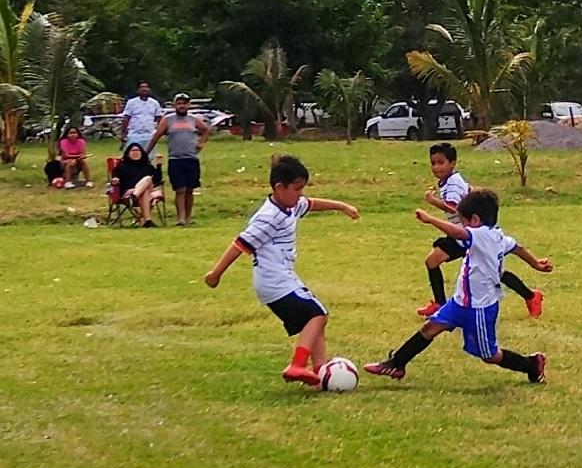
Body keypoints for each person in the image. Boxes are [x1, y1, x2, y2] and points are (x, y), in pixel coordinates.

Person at [364, 189, 552, 384]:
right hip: (460, 302)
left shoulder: (481, 235)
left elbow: (458, 233)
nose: (462, 225)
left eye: (463, 220)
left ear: (476, 220)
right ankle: (396, 363)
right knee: (430, 328)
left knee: (489, 355)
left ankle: (532, 364)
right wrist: (535, 263)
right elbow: (516, 247)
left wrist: (431, 220)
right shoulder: (497, 235)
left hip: (479, 308)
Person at [203, 155, 360, 386]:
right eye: (297, 189)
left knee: (313, 318)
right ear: (279, 187)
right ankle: (297, 365)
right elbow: (240, 245)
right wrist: (215, 274)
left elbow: (312, 203)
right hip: (274, 281)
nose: (300, 194)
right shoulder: (269, 217)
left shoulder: (290, 205)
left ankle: (320, 370)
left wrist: (342, 206)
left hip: (283, 279)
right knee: (318, 315)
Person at [414, 143, 544, 317]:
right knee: (433, 262)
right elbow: (469, 193)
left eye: (441, 162)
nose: (436, 167)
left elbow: (454, 208)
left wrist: (432, 201)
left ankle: (531, 296)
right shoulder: (453, 180)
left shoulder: (452, 184)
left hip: (471, 235)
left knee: (494, 273)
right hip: (462, 235)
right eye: (433, 163)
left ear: (452, 163)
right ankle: (440, 304)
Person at [147, 93, 209, 226]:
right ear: (174, 105)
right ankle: (180, 218)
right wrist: (146, 152)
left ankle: (188, 217)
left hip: (191, 158)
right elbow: (156, 135)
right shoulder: (168, 120)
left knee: (190, 189)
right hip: (175, 159)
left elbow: (205, 130)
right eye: (179, 103)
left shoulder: (193, 119)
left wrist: (201, 143)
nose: (182, 106)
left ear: (188, 105)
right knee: (180, 189)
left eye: (184, 103)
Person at [111, 142, 164, 227]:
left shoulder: (147, 166)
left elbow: (157, 180)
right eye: (133, 151)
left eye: (138, 150)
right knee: (145, 191)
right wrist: (115, 179)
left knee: (148, 179)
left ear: (142, 153)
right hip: (128, 193)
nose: (136, 152)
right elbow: (115, 178)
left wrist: (159, 165)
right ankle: (147, 221)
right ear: (128, 154)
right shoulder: (122, 166)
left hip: (135, 194)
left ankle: (135, 195)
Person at [120, 80, 163, 153]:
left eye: (146, 87)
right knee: (133, 155)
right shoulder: (131, 102)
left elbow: (159, 118)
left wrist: (158, 131)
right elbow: (126, 118)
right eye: (142, 87)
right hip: (134, 134)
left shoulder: (154, 103)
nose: (144, 89)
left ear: (149, 89)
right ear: (138, 90)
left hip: (150, 135)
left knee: (149, 157)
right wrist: (123, 133)